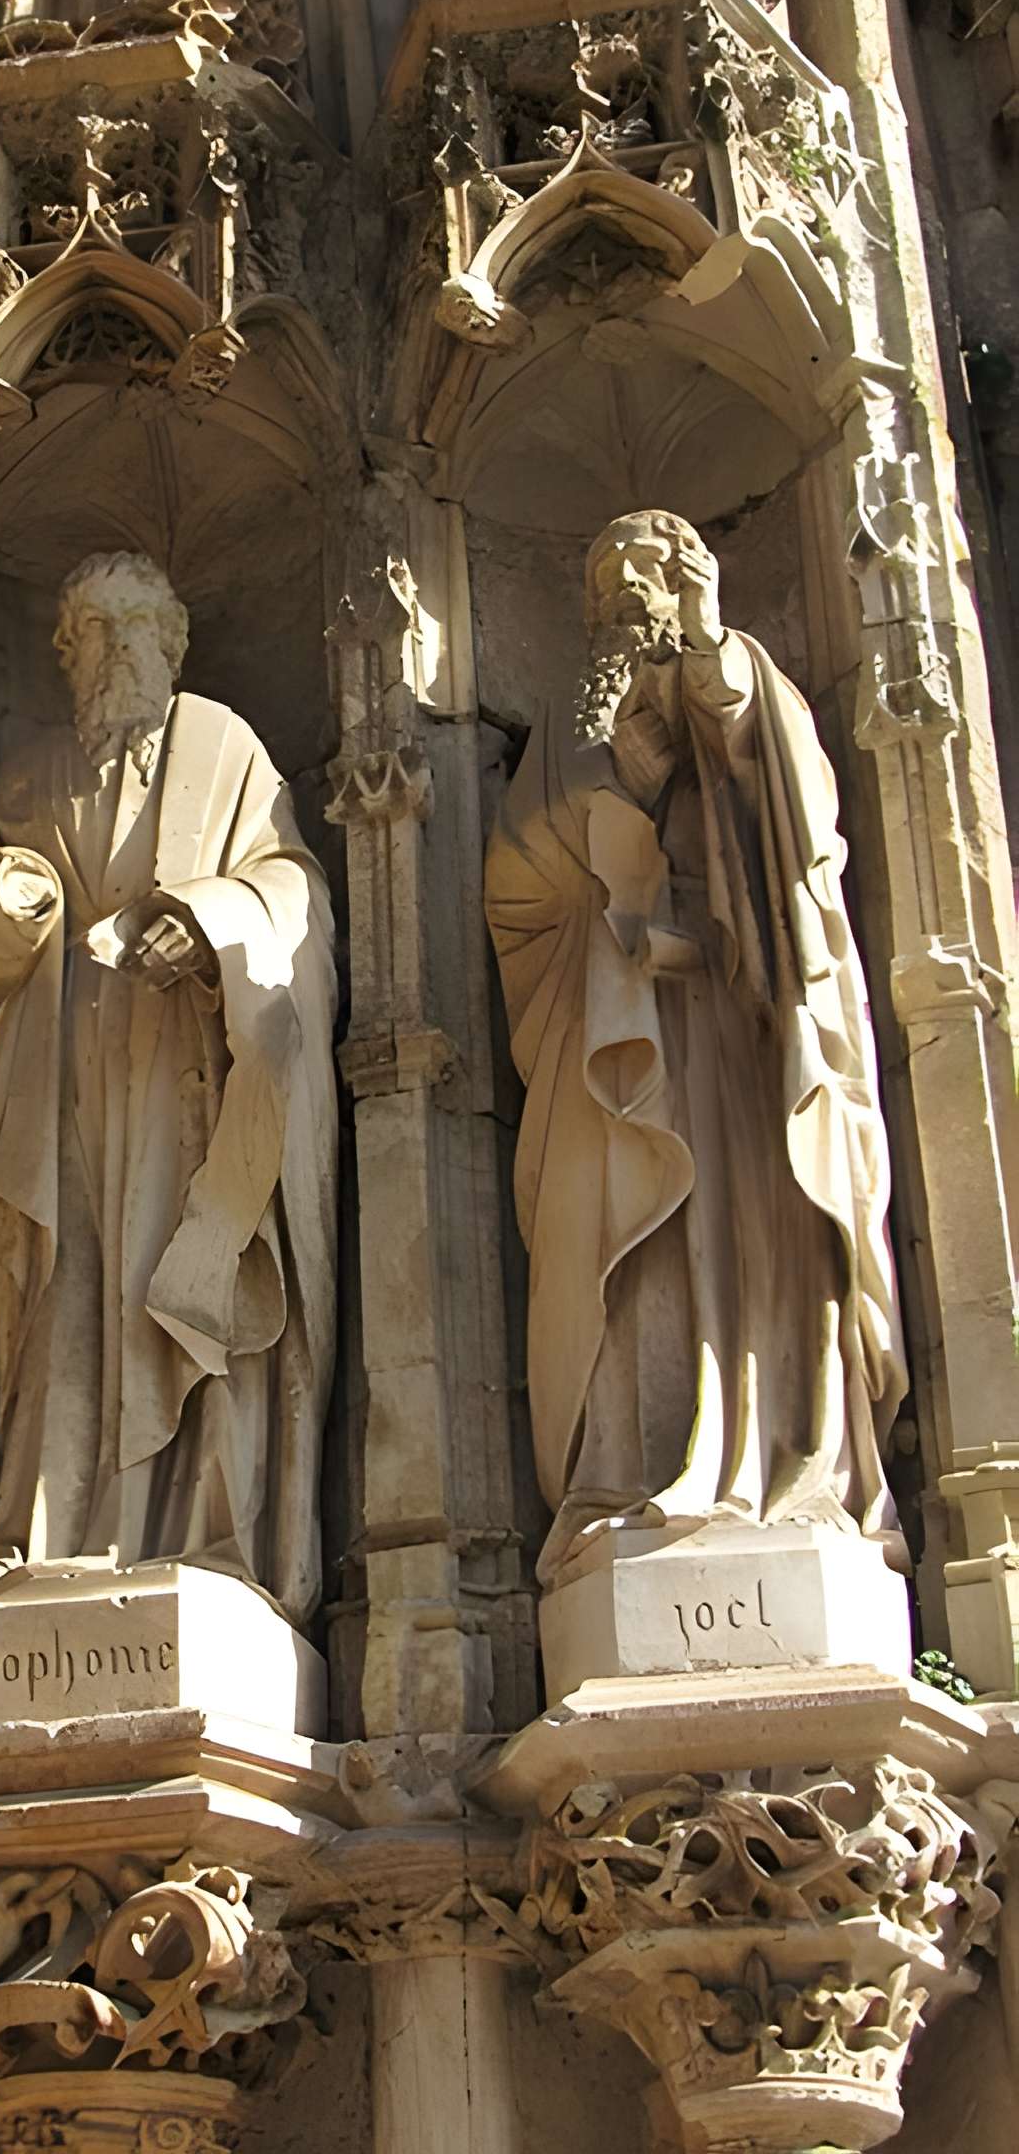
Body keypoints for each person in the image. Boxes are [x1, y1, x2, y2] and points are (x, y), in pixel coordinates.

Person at [485, 510, 906, 1585]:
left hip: (739, 1029)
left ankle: (781, 1473)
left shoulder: (745, 680)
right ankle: (627, 1481)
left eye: (647, 575)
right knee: (634, 1251)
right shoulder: (564, 734)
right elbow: (516, 889)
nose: (624, 598)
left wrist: (713, 671)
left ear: (692, 582)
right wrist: (614, 788)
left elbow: (799, 818)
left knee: (758, 1233)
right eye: (603, 582)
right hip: (619, 1038)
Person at [0, 551, 337, 1624]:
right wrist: (7, 899)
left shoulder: (226, 746)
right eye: (93, 631)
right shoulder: (29, 776)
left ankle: (212, 1544)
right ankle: (57, 1533)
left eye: (136, 629)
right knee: (66, 1301)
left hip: (193, 1077)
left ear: (172, 643)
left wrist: (212, 920)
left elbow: (292, 887)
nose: (116, 652)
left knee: (195, 1291)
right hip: (67, 1083)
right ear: (66, 654)